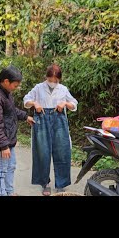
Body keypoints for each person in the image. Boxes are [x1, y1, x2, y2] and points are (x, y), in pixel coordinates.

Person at [23, 64, 78, 196]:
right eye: (50, 80)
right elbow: (26, 100)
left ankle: (61, 184)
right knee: (42, 152)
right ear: (46, 77)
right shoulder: (38, 88)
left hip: (58, 119)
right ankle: (45, 183)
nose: (52, 83)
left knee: (62, 151)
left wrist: (65, 103)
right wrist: (34, 104)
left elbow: (74, 104)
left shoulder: (63, 89)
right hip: (41, 119)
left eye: (55, 81)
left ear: (59, 79)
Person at [0, 66, 34, 196]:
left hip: (7, 139)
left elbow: (10, 110)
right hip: (0, 142)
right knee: (1, 171)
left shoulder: (4, 91)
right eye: (15, 86)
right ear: (6, 81)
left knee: (10, 167)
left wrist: (25, 116)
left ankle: (9, 192)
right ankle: (2, 194)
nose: (15, 88)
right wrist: (3, 146)